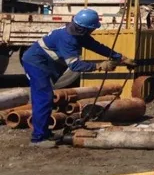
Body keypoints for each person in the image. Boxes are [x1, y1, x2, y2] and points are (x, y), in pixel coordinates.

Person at [20, 8, 131, 147]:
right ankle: (38, 138)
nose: (92, 32)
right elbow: (75, 66)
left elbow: (96, 46)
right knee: (43, 98)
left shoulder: (78, 32)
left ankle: (44, 133)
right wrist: (99, 66)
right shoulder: (68, 38)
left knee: (45, 98)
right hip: (36, 64)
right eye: (92, 29)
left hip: (43, 63)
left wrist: (119, 57)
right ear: (85, 29)